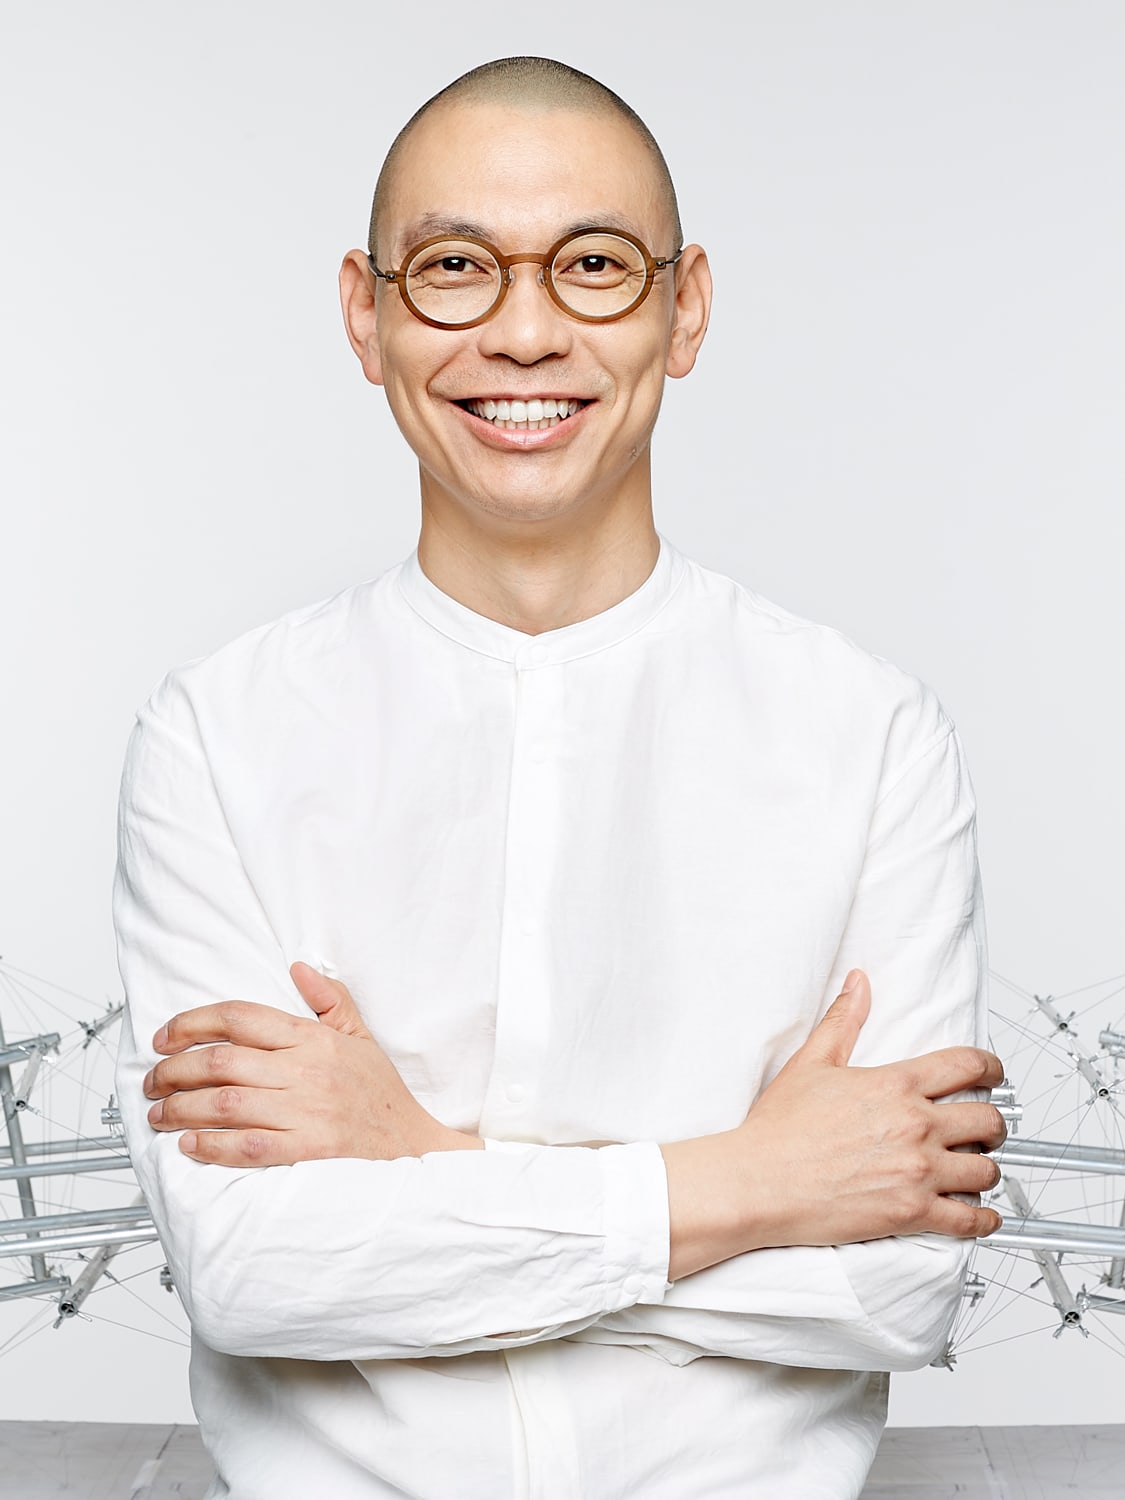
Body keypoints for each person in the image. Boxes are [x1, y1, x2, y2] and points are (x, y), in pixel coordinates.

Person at [113, 55, 1006, 1500]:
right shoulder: (215, 736)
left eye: (592, 265)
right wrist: (752, 1186)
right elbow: (252, 1274)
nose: (524, 333)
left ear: (683, 306)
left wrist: (412, 1155)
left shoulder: (872, 734)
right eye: (454, 267)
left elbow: (896, 1290)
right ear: (366, 315)